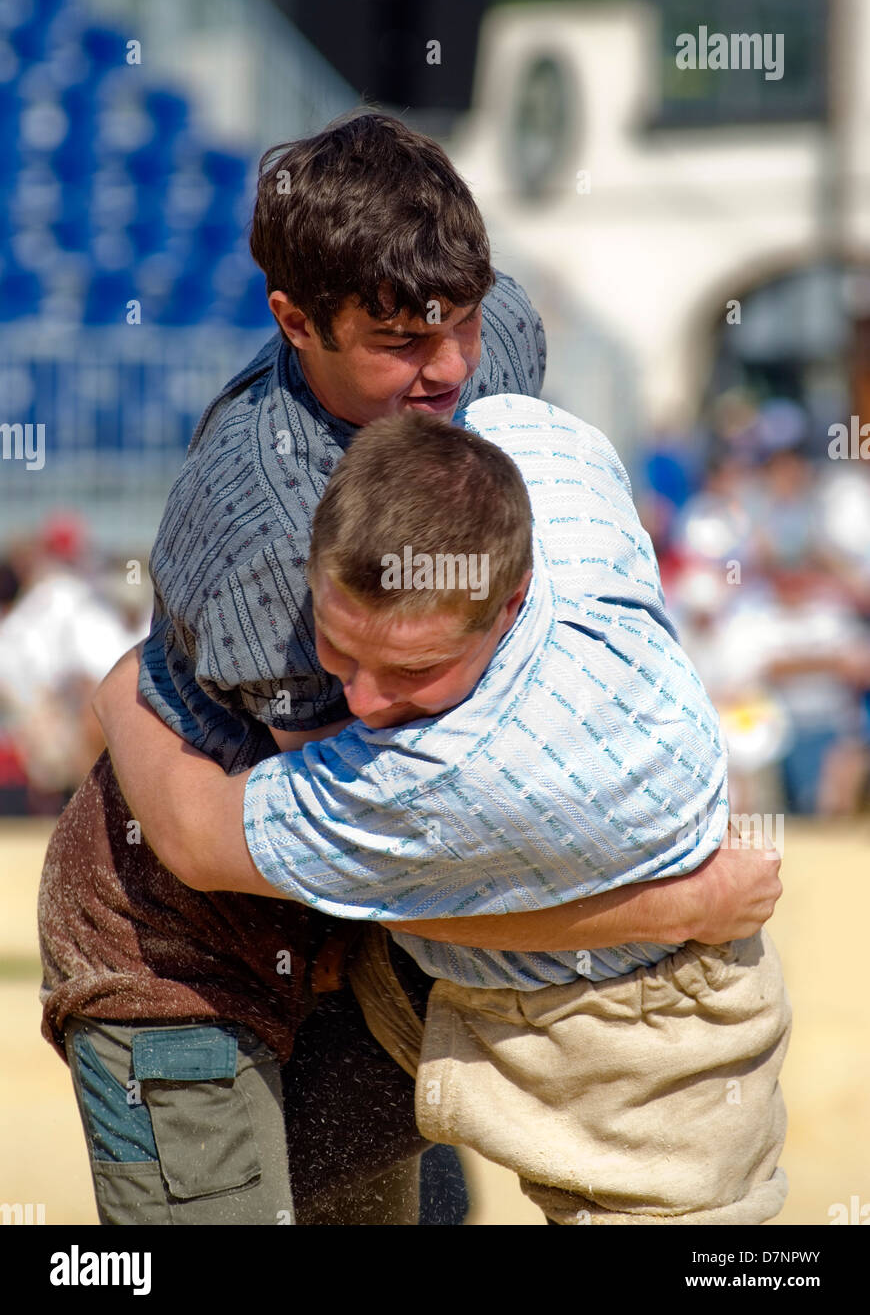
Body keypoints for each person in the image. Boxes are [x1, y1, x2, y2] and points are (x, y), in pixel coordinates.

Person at [38, 110, 762, 1227]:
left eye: (460, 322)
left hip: (358, 954)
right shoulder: (267, 540)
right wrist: (680, 901)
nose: (451, 369)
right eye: (401, 344)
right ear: (295, 320)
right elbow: (383, 849)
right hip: (183, 950)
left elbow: (405, 858)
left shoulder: (475, 327)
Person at [94, 396, 789, 1226]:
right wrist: (688, 901)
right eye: (338, 647)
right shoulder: (542, 457)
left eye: (414, 669)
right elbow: (487, 353)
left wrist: (128, 682)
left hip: (641, 1028)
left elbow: (196, 836)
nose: (363, 701)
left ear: (512, 596)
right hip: (319, 974)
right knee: (257, 1193)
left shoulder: (445, 772)